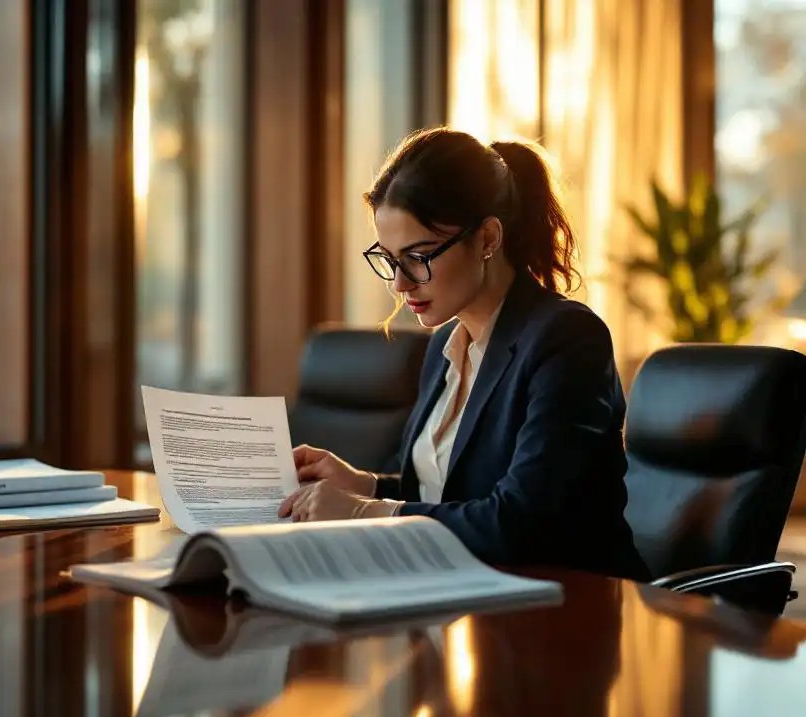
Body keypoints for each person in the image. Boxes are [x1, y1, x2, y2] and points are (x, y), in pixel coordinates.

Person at [277, 126, 649, 582]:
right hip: (466, 590)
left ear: (488, 238)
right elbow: (453, 492)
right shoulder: (443, 347)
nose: (400, 283)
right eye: (390, 259)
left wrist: (362, 511)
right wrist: (364, 485)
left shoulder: (566, 339)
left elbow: (522, 522)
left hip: (567, 602)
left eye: (418, 257)